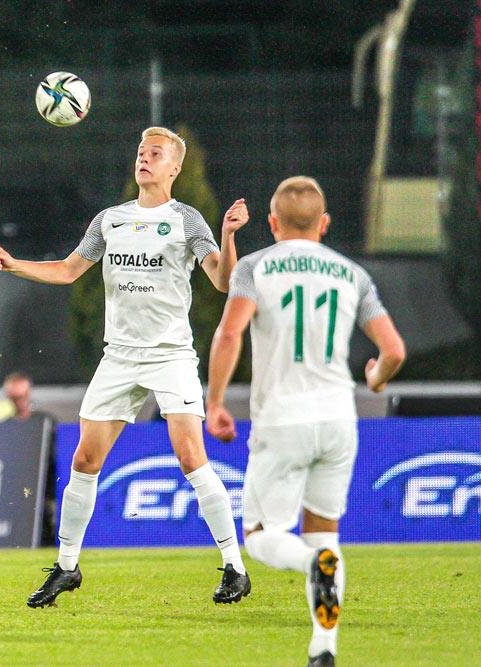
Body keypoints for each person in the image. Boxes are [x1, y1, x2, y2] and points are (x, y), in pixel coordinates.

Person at [0, 127, 251, 608]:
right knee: (85, 461)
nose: (144, 159)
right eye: (140, 152)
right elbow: (68, 270)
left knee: (192, 458)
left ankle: (235, 567)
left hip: (170, 354)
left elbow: (222, 280)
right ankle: (67, 568)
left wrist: (229, 236)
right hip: (119, 358)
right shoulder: (110, 220)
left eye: (156, 154)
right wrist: (14, 263)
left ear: (174, 168)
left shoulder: (186, 219)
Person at [205, 177, 405, 667]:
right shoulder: (352, 274)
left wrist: (214, 402)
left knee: (259, 537)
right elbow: (394, 350)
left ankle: (307, 565)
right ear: (325, 223)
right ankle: (324, 647)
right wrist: (377, 378)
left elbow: (230, 333)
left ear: (272, 223)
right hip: (339, 419)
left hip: (282, 419)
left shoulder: (254, 267)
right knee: (325, 534)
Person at [3, 371, 57, 545]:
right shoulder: (6, 426)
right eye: (14, 397)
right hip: (17, 492)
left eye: (21, 396)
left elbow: (57, 459)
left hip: (47, 491)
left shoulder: (46, 422)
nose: (18, 401)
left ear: (28, 394)